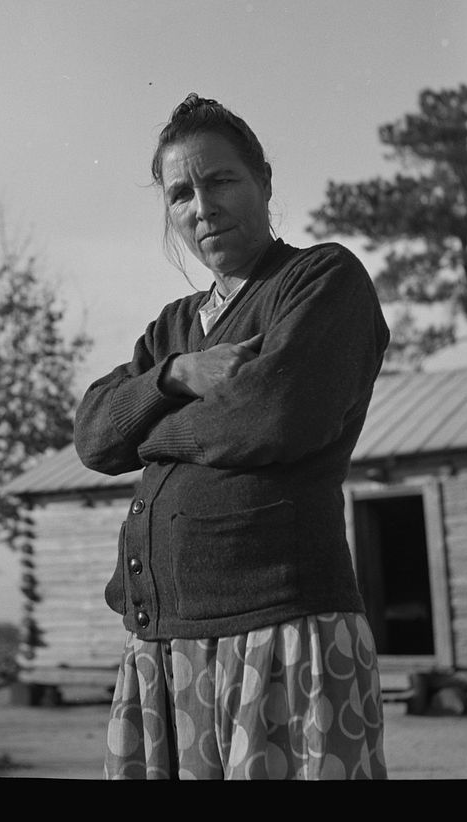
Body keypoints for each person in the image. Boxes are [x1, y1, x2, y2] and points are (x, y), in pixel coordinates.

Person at [74, 94, 390, 780]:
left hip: (283, 633)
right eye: (181, 193)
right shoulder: (172, 330)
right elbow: (97, 435)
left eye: (220, 181)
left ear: (264, 181)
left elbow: (274, 414)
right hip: (167, 645)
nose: (201, 206)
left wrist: (152, 437)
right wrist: (177, 375)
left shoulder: (320, 280)